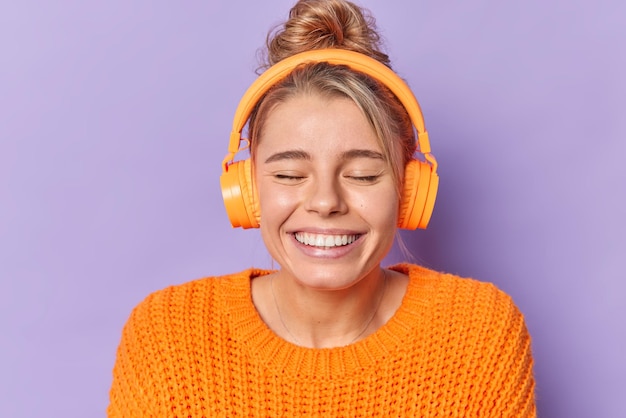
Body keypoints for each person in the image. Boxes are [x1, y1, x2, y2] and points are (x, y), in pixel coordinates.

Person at [107, 0, 536, 416]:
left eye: (364, 174)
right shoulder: (165, 335)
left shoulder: (479, 332)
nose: (326, 202)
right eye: (290, 174)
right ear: (249, 187)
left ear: (409, 188)